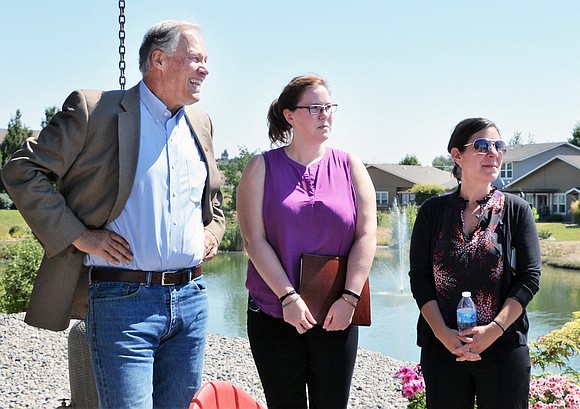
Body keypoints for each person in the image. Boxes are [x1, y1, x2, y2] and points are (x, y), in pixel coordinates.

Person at [1, 20, 225, 408]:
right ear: (158, 59)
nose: (205, 68)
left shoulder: (201, 123)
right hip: (123, 302)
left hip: (191, 301)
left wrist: (213, 232)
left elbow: (214, 203)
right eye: (195, 59)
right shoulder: (94, 111)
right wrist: (78, 234)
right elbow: (21, 169)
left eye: (206, 60)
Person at [237, 74, 377, 408]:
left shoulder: (350, 165)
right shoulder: (261, 167)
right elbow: (253, 240)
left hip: (337, 312)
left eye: (329, 107)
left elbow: (367, 233)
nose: (325, 115)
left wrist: (350, 297)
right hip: (274, 313)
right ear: (289, 115)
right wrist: (287, 298)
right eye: (314, 108)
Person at [408, 118, 541, 409]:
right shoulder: (432, 212)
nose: (493, 153)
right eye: (481, 146)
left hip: (503, 347)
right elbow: (419, 278)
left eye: (498, 146)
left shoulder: (517, 211)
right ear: (457, 156)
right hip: (443, 348)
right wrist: (444, 334)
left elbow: (530, 279)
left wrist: (492, 331)